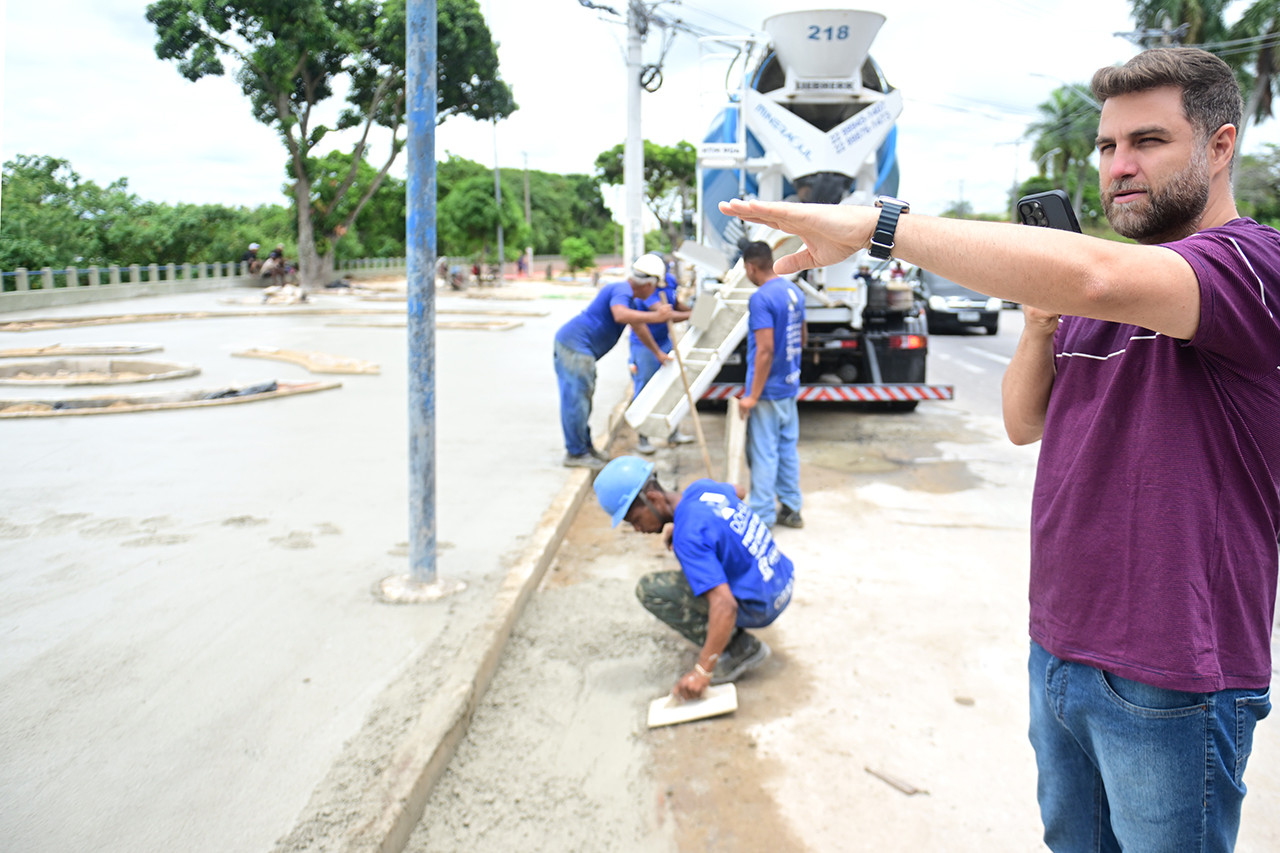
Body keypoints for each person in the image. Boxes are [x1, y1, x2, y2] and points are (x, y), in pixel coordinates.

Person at [720, 47, 1276, 852]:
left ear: (1220, 146)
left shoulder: (1251, 266)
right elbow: (1023, 420)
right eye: (1107, 146)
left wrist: (881, 226)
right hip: (1061, 646)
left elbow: (1094, 277)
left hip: (1174, 670)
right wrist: (1041, 322)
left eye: (1147, 142)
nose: (1118, 166)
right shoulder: (1096, 283)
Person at [593, 455, 794, 699]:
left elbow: (725, 605)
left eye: (635, 520)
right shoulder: (699, 490)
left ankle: (740, 649)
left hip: (762, 606)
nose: (638, 529)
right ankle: (732, 638)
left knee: (651, 590)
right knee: (703, 564)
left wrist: (702, 672)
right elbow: (738, 492)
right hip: (780, 581)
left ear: (653, 499)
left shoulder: (688, 535)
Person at [553, 253, 674, 469]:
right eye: (655, 287)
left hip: (578, 349)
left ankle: (584, 447)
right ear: (649, 283)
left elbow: (638, 326)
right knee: (576, 401)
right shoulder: (621, 289)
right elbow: (620, 315)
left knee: (582, 400)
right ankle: (576, 452)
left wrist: (657, 353)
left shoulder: (631, 299)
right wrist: (656, 317)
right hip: (575, 347)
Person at [739, 241, 805, 529]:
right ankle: (791, 509)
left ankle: (763, 516)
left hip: (767, 391)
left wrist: (752, 395)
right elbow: (802, 336)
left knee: (763, 451)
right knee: (787, 448)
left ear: (751, 266)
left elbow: (764, 350)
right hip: (789, 384)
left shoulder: (761, 298)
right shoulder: (794, 291)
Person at [628, 259, 692, 454]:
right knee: (645, 388)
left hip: (664, 340)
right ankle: (643, 437)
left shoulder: (668, 281)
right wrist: (695, 315)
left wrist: (689, 309)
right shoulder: (643, 289)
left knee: (672, 384)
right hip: (645, 344)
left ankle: (672, 432)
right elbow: (664, 314)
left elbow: (675, 304)